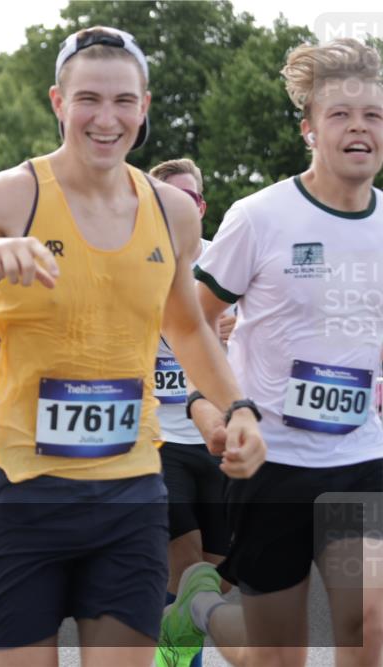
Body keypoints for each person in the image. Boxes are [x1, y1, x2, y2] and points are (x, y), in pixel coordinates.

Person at [0, 26, 266, 667]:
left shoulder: (172, 211)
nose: (106, 119)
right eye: (88, 100)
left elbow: (188, 328)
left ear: (144, 106)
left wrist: (237, 408)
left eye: (123, 101)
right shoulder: (11, 195)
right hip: (21, 494)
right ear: (59, 102)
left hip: (130, 494)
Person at [157, 37, 383, 667]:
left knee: (370, 625)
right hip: (270, 463)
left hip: (360, 458)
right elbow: (188, 321)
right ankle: (201, 609)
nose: (359, 127)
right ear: (309, 129)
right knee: (278, 656)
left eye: (373, 114)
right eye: (341, 114)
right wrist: (209, 408)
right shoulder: (260, 217)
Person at [147, 158, 234, 667]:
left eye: (190, 198)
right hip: (159, 440)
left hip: (218, 437)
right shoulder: (134, 262)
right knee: (184, 567)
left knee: (215, 578)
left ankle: (164, 642)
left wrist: (237, 330)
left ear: (201, 206)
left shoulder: (228, 260)